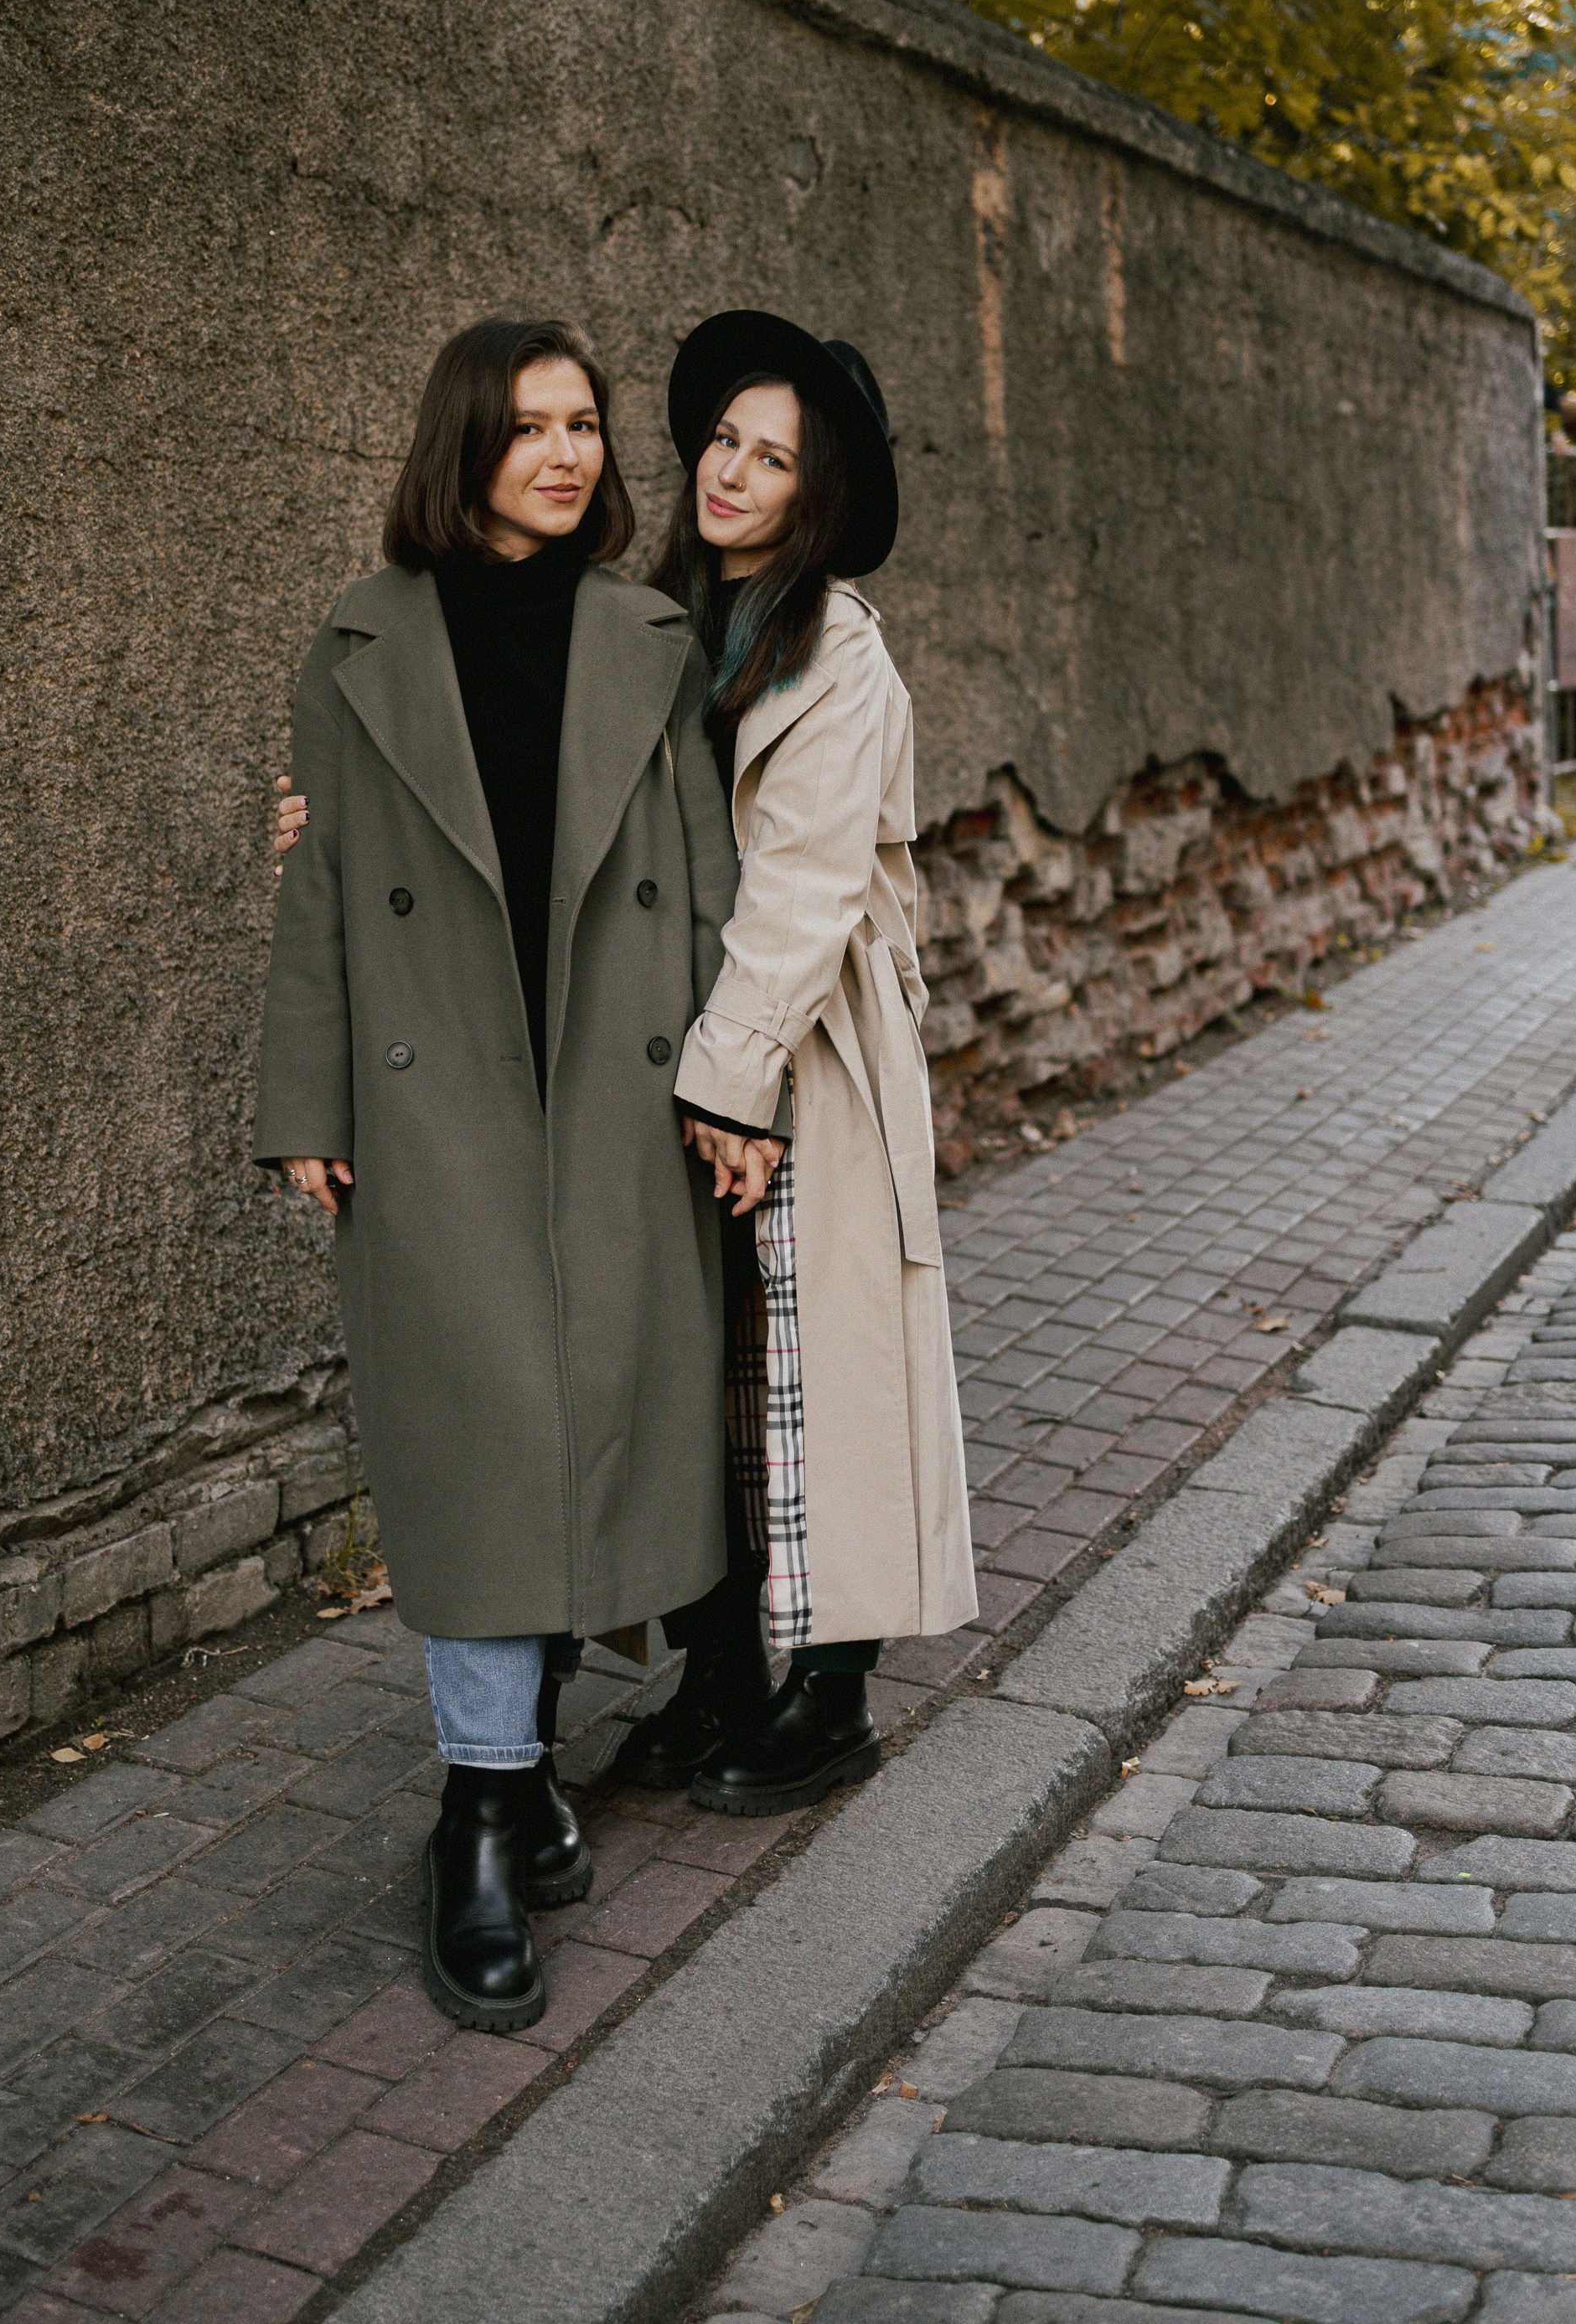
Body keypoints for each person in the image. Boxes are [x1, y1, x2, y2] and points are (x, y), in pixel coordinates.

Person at [254, 316, 737, 2034]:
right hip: (434, 1102)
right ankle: (478, 1808)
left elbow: (710, 878)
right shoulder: (360, 637)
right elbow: (317, 889)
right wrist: (307, 1095)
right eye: (529, 424)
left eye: (587, 425)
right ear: (460, 444)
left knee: (579, 1435)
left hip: (618, 1094)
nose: (565, 452)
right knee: (484, 1448)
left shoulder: (647, 634)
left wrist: (733, 1090)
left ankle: (513, 1778)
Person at [624, 308, 978, 1811]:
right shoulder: (652, 625)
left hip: (808, 1059)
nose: (734, 474)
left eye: (772, 459)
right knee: (689, 1373)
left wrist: (735, 1087)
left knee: (820, 1377)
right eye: (724, 442)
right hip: (678, 1044)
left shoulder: (837, 656)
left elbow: (807, 891)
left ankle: (829, 1702)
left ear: (811, 495)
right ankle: (713, 1682)